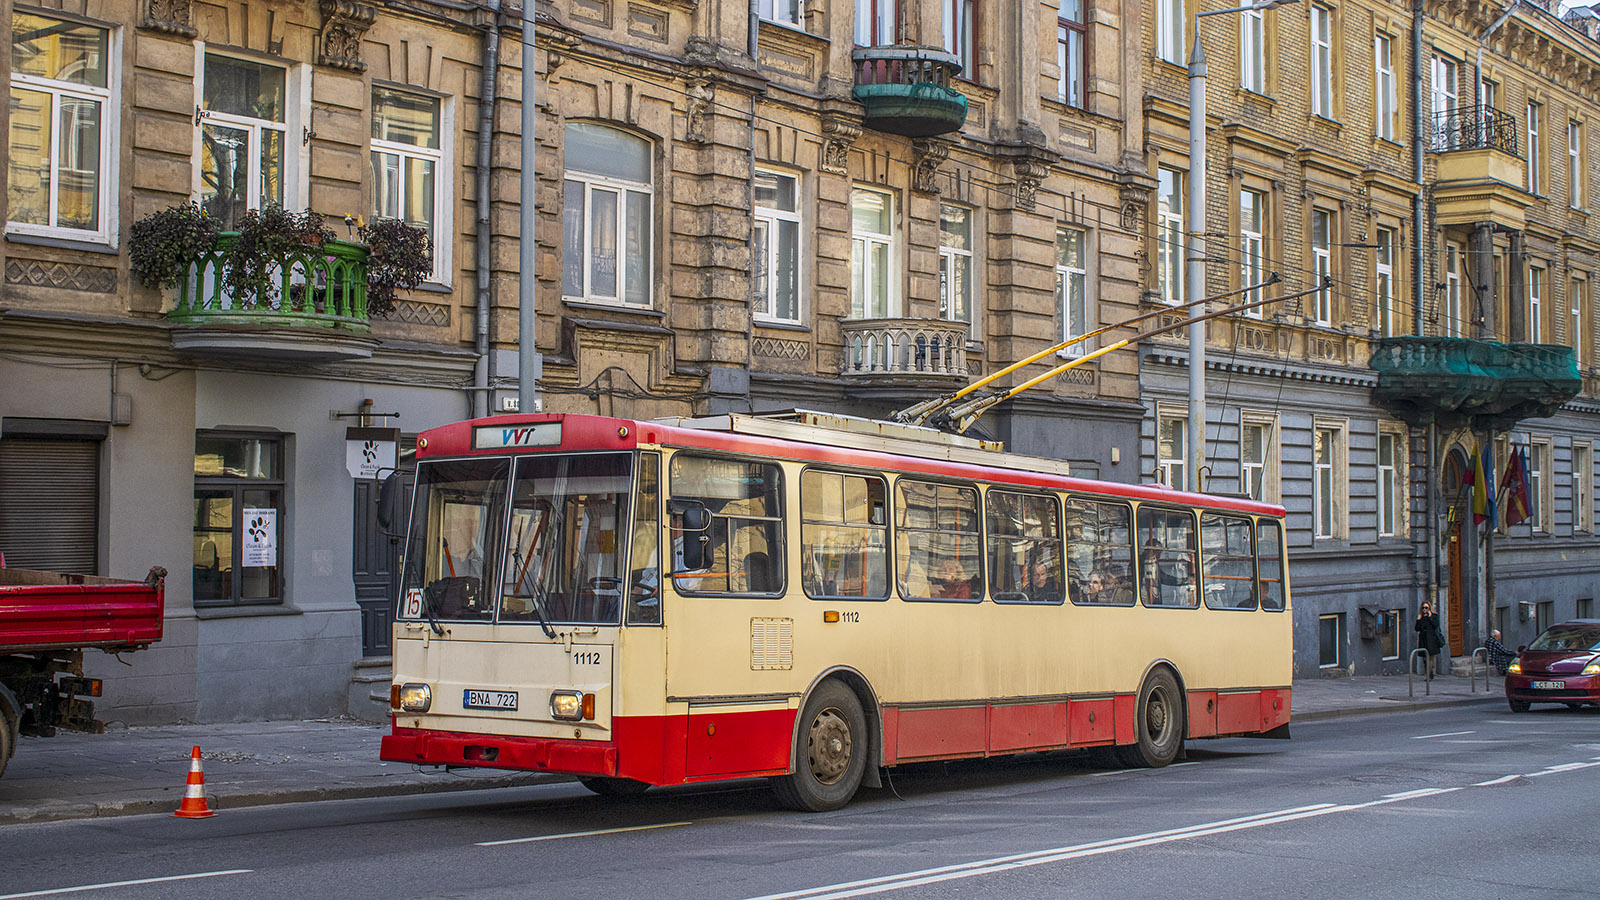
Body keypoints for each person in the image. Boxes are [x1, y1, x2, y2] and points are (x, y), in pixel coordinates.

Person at [1415, 601, 1445, 680]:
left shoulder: (1434, 616)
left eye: (1426, 608)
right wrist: (1418, 620)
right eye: (1423, 608)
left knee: (1431, 658)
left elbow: (1435, 625)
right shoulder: (1421, 617)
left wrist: (1430, 616)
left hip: (1432, 641)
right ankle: (1428, 673)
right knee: (1424, 659)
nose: (1424, 609)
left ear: (1429, 608)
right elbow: (1416, 628)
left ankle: (1429, 674)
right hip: (1423, 640)